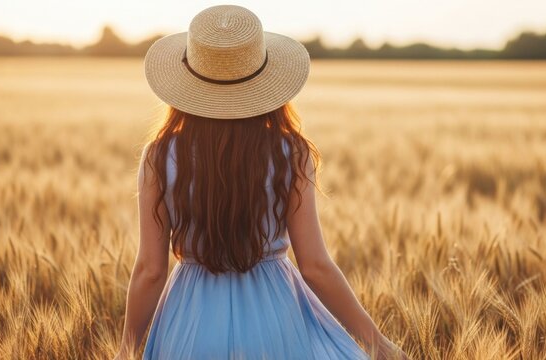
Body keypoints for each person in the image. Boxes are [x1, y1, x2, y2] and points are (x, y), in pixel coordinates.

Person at [115, 5, 408, 360]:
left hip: (188, 322)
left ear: (187, 83)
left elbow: (150, 271)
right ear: (263, 81)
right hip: (276, 319)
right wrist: (377, 342)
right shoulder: (291, 151)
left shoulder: (159, 156)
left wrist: (125, 349)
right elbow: (315, 266)